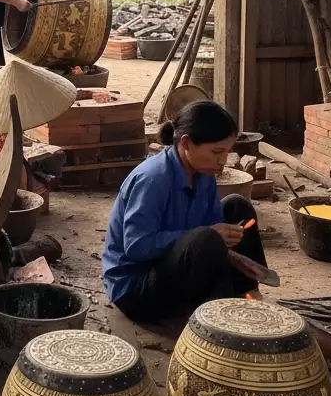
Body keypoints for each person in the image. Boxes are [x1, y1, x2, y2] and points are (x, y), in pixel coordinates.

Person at [101, 100, 268, 323]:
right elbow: (137, 248)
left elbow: (213, 234)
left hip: (176, 269)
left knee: (238, 207)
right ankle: (220, 314)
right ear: (186, 143)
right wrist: (209, 235)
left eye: (227, 152)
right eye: (217, 152)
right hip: (137, 288)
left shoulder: (204, 173)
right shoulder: (152, 179)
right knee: (206, 236)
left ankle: (248, 292)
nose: (223, 161)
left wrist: (229, 244)